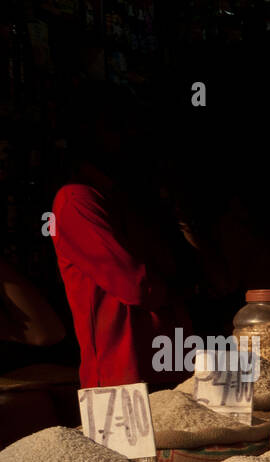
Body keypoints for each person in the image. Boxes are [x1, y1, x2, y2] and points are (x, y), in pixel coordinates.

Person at [50, 94, 192, 388]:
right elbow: (137, 287)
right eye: (116, 128)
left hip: (170, 369)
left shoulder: (126, 201)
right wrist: (179, 285)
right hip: (120, 378)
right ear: (87, 136)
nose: (130, 137)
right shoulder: (76, 199)